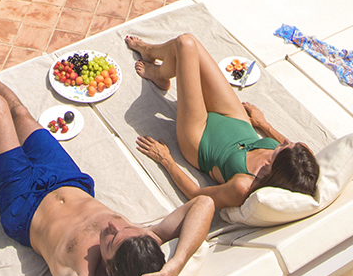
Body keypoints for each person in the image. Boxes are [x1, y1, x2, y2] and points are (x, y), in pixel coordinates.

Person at [0, 28, 214, 276]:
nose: (113, 224)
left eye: (110, 239)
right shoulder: (143, 240)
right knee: (18, 111)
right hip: (66, 178)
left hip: (25, 203)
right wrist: (175, 263)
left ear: (109, 268)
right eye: (124, 225)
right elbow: (203, 203)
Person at [127, 32, 320, 208]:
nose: (285, 140)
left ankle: (157, 71)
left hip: (200, 138)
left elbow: (196, 195)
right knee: (190, 41)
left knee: (185, 45)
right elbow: (288, 148)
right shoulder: (296, 161)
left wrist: (166, 160)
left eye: (286, 146)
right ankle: (151, 56)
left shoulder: (243, 186)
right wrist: (264, 125)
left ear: (278, 167)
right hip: (237, 120)